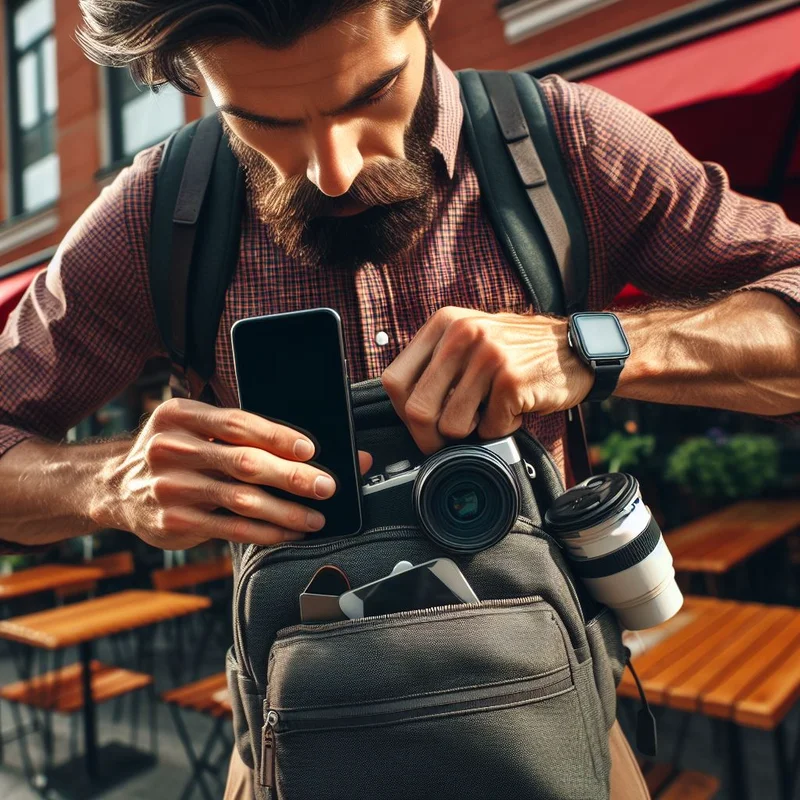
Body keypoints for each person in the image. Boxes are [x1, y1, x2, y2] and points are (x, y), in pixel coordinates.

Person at [1, 1, 799, 797]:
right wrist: (110, 484)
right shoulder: (156, 213)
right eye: (260, 123)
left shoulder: (565, 144)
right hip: (294, 749)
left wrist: (587, 346)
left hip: (566, 735)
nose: (332, 170)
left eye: (369, 95)